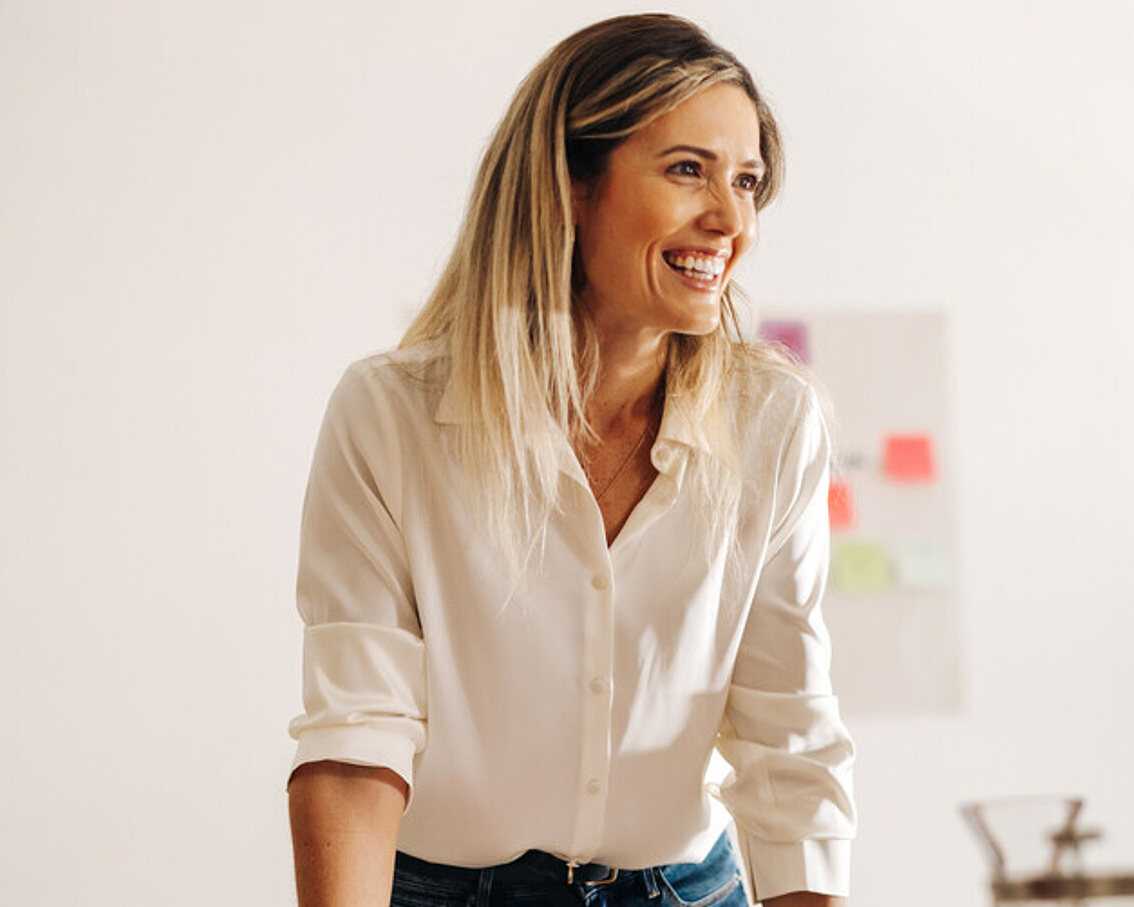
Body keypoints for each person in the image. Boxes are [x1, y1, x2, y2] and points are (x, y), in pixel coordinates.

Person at [285, 15, 852, 907]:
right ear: (569, 187)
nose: (731, 219)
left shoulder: (774, 423)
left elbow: (789, 745)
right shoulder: (391, 417)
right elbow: (357, 736)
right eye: (687, 170)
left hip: (685, 889)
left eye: (747, 181)